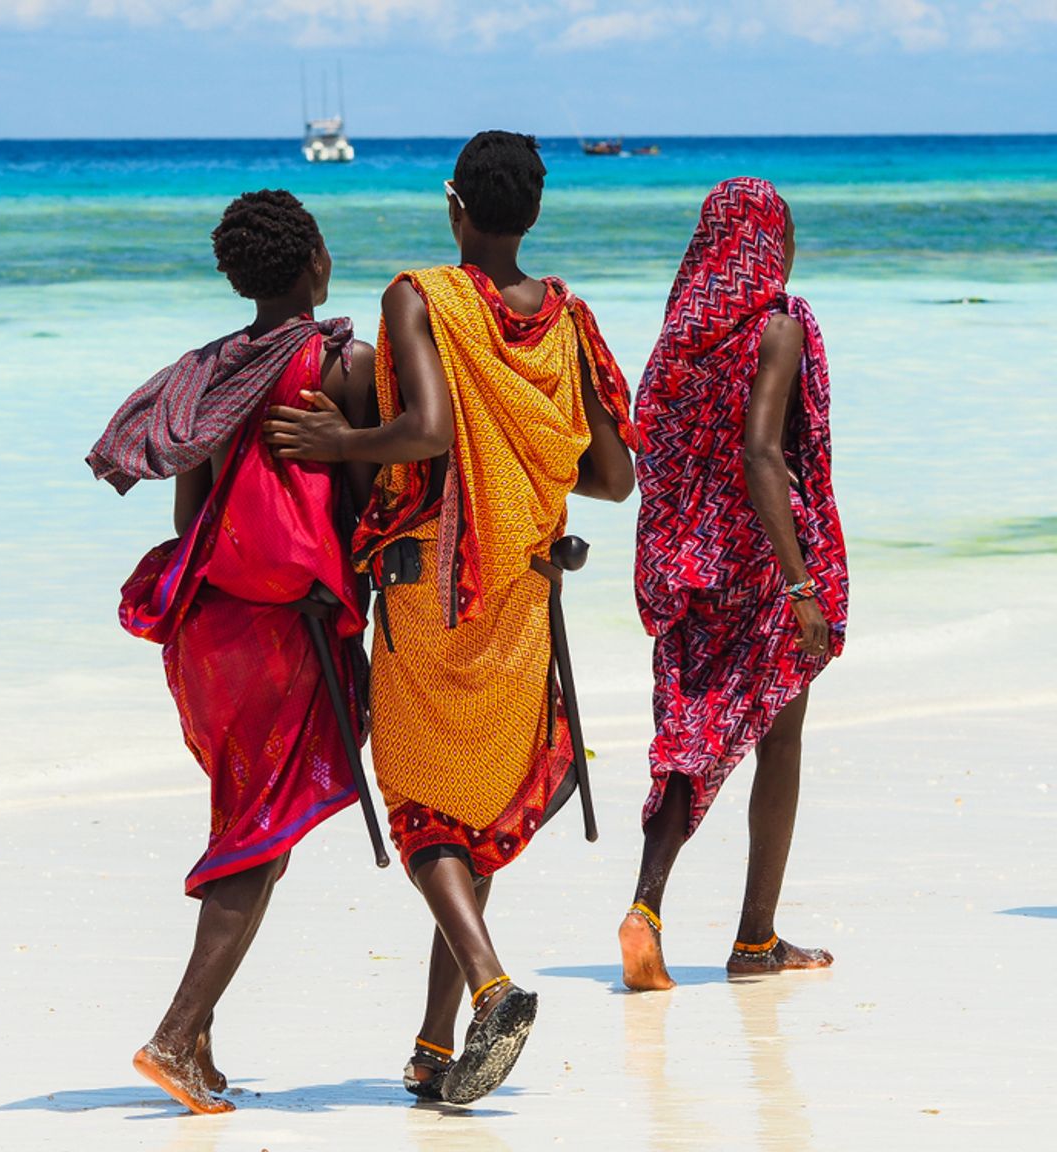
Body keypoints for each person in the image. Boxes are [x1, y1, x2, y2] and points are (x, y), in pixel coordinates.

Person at [265, 131, 638, 1104]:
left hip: (434, 583)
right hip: (523, 589)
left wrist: (339, 439)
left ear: (453, 205)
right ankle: (437, 1049)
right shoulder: (564, 318)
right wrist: (526, 490)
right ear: (534, 211)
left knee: (423, 802)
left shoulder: (419, 298)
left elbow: (427, 429)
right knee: (470, 806)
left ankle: (492, 985)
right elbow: (611, 474)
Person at [86, 190, 377, 1113]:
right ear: (317, 264)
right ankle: (174, 1036)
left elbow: (189, 513)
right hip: (286, 629)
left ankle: (202, 1048)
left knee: (249, 819)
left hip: (208, 631)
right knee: (258, 836)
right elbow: (367, 506)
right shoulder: (342, 363)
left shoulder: (213, 370)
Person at [618, 177, 849, 992]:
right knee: (776, 742)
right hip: (760, 570)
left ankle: (645, 906)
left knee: (687, 734)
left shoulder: (675, 348)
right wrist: (800, 586)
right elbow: (762, 453)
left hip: (688, 571)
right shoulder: (775, 332)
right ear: (767, 242)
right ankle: (756, 940)